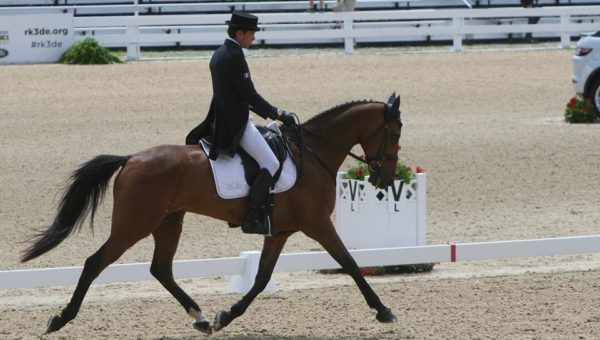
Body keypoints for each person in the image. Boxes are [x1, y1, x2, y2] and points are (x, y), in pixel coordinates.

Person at [185, 12, 295, 235]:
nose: (253, 38)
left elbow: (239, 95)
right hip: (235, 124)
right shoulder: (234, 56)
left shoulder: (219, 53)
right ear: (240, 32)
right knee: (271, 163)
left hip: (224, 117)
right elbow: (250, 95)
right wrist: (278, 113)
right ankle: (252, 217)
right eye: (251, 33)